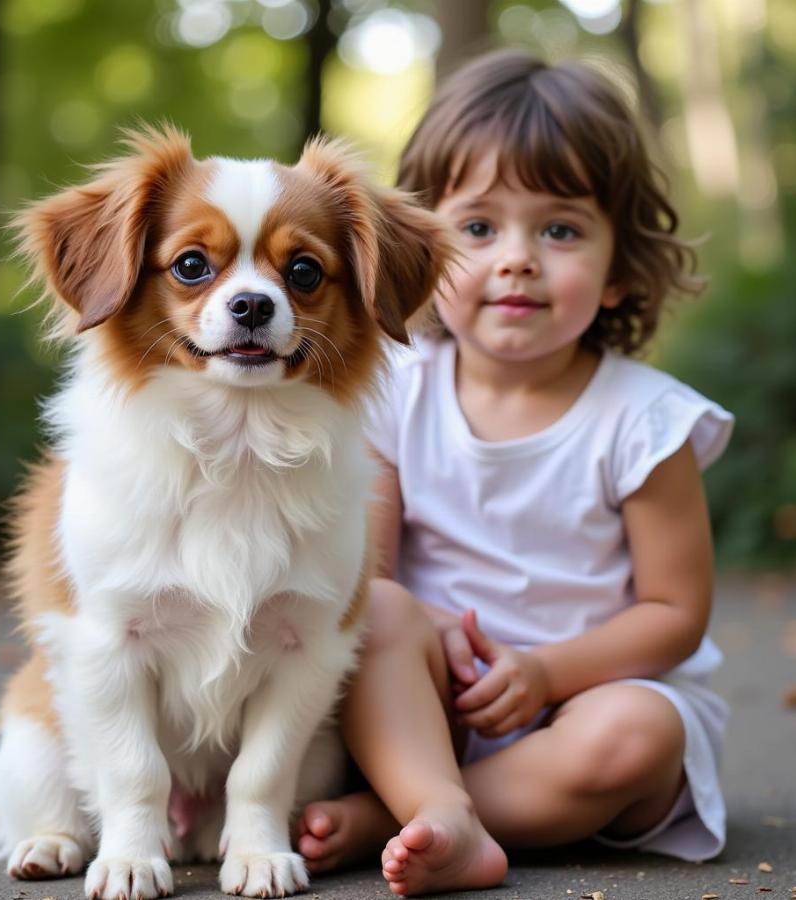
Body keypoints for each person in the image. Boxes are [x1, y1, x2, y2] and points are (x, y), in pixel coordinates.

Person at [294, 49, 734, 897]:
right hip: (429, 710)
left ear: (618, 274)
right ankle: (433, 799)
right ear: (422, 250)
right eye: (479, 227)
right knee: (371, 612)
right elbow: (369, 577)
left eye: (561, 229)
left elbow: (676, 614)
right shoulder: (398, 392)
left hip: (590, 702)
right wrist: (430, 621)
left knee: (636, 733)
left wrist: (543, 676)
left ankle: (404, 821)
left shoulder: (645, 422)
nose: (518, 258)